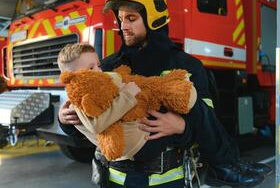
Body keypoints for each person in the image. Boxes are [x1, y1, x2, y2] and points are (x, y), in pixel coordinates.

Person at [58, 0, 272, 187]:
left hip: (169, 179)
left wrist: (183, 128)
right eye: (120, 19)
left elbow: (208, 122)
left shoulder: (187, 65)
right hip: (115, 178)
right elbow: (88, 130)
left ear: (153, 18)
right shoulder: (107, 67)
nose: (123, 26)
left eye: (131, 18)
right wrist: (65, 120)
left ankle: (226, 165)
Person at [57, 43, 197, 161]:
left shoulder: (180, 59)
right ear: (72, 76)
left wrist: (182, 126)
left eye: (98, 65)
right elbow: (95, 125)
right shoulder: (80, 95)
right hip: (139, 146)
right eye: (91, 68)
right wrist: (127, 95)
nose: (100, 71)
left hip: (138, 142)